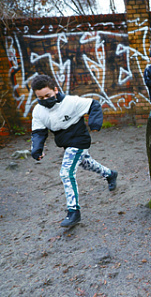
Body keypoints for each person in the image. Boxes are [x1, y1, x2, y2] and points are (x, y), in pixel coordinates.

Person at [30, 75, 118, 227]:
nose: (45, 100)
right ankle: (110, 174)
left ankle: (73, 211)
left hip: (79, 140)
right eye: (41, 97)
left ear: (55, 90)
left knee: (66, 173)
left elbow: (94, 105)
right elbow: (38, 132)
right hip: (66, 143)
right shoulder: (38, 111)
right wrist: (37, 149)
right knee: (85, 163)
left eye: (48, 96)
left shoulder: (71, 102)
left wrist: (94, 123)